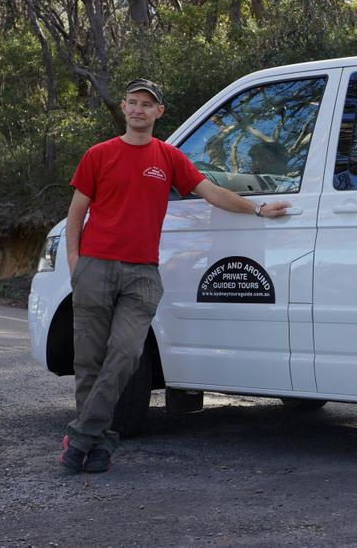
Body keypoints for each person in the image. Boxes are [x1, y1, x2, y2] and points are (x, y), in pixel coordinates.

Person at [58, 77, 288, 474]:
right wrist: (77, 265)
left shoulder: (167, 158)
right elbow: (76, 214)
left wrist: (256, 208)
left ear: (158, 112)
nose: (138, 109)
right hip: (95, 267)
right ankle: (96, 446)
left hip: (142, 274)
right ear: (125, 107)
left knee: (126, 354)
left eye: (147, 104)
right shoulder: (98, 154)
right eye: (133, 102)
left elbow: (211, 191)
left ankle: (79, 436)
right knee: (89, 363)